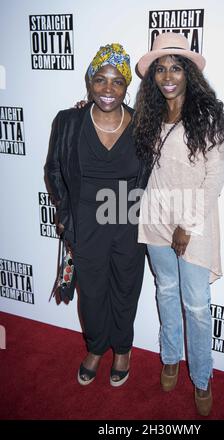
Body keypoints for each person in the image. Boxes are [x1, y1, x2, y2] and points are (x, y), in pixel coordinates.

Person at [45, 43, 150, 387]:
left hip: (129, 221)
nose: (108, 89)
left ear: (126, 87)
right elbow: (54, 170)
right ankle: (96, 347)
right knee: (91, 291)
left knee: (125, 287)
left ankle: (122, 349)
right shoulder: (68, 121)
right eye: (101, 80)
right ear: (89, 82)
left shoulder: (142, 124)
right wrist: (65, 214)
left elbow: (154, 175)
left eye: (117, 81)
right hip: (86, 222)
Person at [133, 33, 224, 416]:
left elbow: (214, 178)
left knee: (197, 306)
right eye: (160, 68)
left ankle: (201, 377)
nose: (167, 75)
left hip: (194, 222)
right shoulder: (150, 115)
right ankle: (170, 357)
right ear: (153, 76)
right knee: (166, 292)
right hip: (155, 217)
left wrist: (186, 224)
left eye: (175, 67)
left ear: (188, 72)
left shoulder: (207, 114)